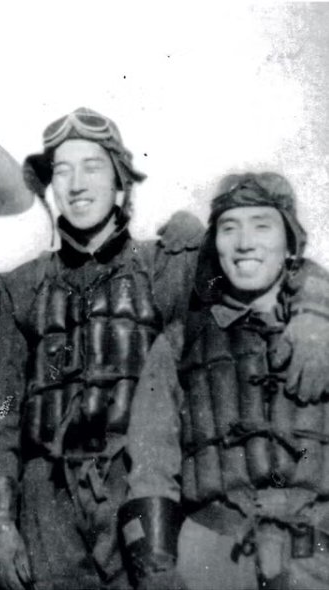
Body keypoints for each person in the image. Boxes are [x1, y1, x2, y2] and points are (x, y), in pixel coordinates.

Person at [0, 107, 203, 590]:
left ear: (120, 183)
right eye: (62, 171)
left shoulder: (162, 268)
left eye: (92, 167)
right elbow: (4, 410)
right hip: (47, 502)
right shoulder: (23, 287)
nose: (76, 185)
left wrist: (206, 249)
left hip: (134, 489)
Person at [121, 171, 329, 590]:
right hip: (212, 558)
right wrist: (155, 567)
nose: (244, 243)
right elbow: (151, 463)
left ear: (290, 241)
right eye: (229, 228)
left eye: (262, 225)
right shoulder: (180, 342)